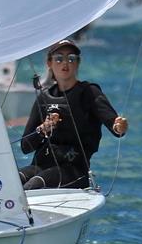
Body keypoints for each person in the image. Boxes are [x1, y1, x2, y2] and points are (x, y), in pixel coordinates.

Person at [19, 39, 128, 190]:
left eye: (71, 58)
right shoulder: (44, 98)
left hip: (74, 171)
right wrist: (42, 130)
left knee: (34, 185)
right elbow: (25, 146)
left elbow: (115, 126)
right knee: (12, 181)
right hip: (41, 165)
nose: (65, 63)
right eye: (59, 58)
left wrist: (119, 126)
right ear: (49, 63)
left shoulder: (89, 92)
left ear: (77, 63)